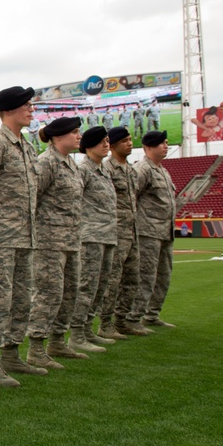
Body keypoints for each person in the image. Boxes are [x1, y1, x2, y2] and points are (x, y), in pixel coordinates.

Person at [0, 86, 47, 387]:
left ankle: (11, 353)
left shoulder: (28, 148)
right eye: (25, 106)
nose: (31, 110)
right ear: (8, 110)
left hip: (25, 237)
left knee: (21, 300)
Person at [26, 116, 86, 370]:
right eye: (74, 132)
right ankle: (36, 348)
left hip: (71, 240)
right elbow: (32, 199)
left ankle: (57, 340)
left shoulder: (70, 164)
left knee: (69, 293)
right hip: (49, 242)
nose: (79, 136)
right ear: (58, 137)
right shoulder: (46, 162)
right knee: (48, 294)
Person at [69, 126, 118, 353]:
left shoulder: (105, 171)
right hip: (89, 237)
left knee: (100, 286)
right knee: (86, 286)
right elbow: (75, 201)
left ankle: (88, 328)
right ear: (89, 146)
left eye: (108, 140)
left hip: (107, 235)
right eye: (101, 141)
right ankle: (77, 334)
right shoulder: (83, 170)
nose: (106, 144)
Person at [97, 127, 143, 340]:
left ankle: (122, 320)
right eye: (124, 141)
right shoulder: (107, 169)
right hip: (114, 233)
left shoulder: (132, 170)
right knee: (112, 279)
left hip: (131, 232)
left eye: (130, 139)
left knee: (132, 279)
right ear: (113, 145)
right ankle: (105, 323)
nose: (130, 143)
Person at [131, 130, 177, 330]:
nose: (166, 146)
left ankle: (152, 314)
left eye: (167, 143)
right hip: (147, 232)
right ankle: (133, 318)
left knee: (163, 275)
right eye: (161, 143)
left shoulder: (163, 171)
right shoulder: (142, 169)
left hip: (165, 231)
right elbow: (131, 198)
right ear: (148, 147)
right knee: (145, 276)